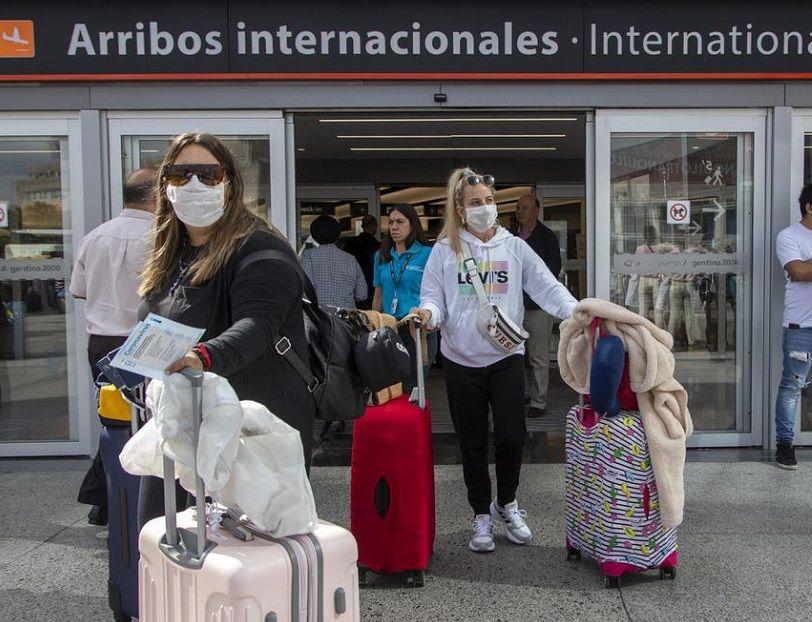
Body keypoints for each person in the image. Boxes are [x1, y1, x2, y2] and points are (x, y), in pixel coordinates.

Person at [137, 131, 316, 527]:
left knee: (247, 548)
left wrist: (200, 357)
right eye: (181, 174)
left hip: (251, 430)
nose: (194, 185)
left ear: (230, 183)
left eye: (209, 175)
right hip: (186, 424)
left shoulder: (261, 250)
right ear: (166, 186)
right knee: (168, 539)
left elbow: (257, 325)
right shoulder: (174, 254)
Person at [412, 168, 577, 554]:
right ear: (460, 209)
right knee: (471, 442)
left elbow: (547, 286)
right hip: (460, 362)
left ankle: (507, 503)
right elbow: (432, 296)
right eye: (475, 202)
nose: (484, 207)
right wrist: (429, 315)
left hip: (506, 359)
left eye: (488, 200)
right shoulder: (445, 250)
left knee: (511, 437)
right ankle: (480, 514)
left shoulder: (514, 247)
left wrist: (577, 312)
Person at [70, 167, 158, 526]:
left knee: (115, 420)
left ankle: (105, 499)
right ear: (154, 197)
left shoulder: (94, 237)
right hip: (147, 341)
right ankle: (113, 498)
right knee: (148, 422)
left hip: (102, 341)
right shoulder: (163, 237)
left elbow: (79, 291)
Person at [372, 204, 436, 389]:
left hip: (416, 328)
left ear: (412, 225)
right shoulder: (382, 256)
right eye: (391, 222)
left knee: (413, 386)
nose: (394, 227)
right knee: (390, 387)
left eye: (400, 222)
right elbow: (378, 295)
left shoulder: (427, 254)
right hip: (389, 328)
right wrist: (373, 327)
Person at [773, 183, 812, 470]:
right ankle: (785, 445)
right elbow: (797, 271)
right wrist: (804, 268)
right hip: (801, 327)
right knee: (792, 386)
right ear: (809, 207)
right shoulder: (789, 236)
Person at [514, 194, 562, 418]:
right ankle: (525, 393)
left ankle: (538, 401)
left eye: (525, 208)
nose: (520, 212)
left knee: (538, 356)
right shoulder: (511, 237)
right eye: (518, 208)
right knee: (517, 354)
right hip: (515, 307)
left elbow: (552, 270)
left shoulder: (547, 237)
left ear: (536, 211)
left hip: (538, 306)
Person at [301, 215, 368, 309]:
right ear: (338, 234)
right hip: (346, 315)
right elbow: (362, 294)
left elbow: (306, 290)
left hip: (320, 314)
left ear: (314, 234)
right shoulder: (351, 259)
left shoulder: (308, 256)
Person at [345, 214, 380, 310]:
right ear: (375, 227)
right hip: (371, 286)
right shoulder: (377, 246)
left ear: (362, 226)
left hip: (351, 285)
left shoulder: (351, 243)